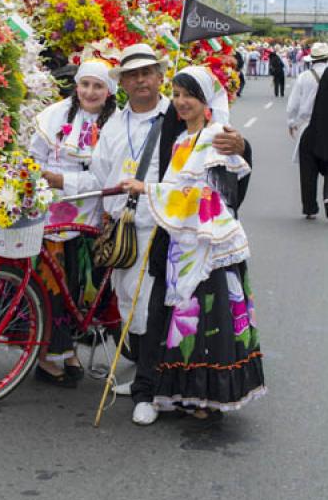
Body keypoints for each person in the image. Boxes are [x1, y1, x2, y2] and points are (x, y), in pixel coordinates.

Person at [53, 44, 250, 412]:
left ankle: (150, 389)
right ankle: (149, 376)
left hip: (166, 232)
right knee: (130, 306)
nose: (140, 80)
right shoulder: (112, 123)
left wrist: (240, 143)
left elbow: (217, 146)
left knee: (155, 310)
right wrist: (55, 181)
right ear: (123, 82)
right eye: (131, 74)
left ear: (160, 76)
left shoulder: (176, 114)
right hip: (125, 233)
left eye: (147, 73)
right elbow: (97, 178)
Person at [121, 66, 266, 425]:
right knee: (180, 323)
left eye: (190, 95)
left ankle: (210, 396)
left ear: (207, 101)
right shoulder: (180, 138)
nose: (181, 102)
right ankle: (181, 391)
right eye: (178, 94)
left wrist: (149, 192)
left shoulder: (217, 136)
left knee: (208, 324)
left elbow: (212, 197)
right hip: (177, 243)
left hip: (209, 247)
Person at [29, 57, 118, 386]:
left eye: (98, 86)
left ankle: (66, 352)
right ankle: (46, 356)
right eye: (85, 84)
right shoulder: (53, 115)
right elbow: (34, 156)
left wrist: (61, 180)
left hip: (89, 215)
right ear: (76, 85)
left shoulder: (115, 125)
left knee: (78, 289)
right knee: (51, 284)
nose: (90, 92)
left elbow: (106, 177)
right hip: (50, 211)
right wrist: (42, 178)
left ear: (108, 91)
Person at [287, 42, 328, 219]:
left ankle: (310, 208)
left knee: (308, 171)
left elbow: (293, 103)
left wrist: (291, 122)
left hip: (307, 126)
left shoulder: (304, 77)